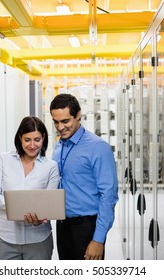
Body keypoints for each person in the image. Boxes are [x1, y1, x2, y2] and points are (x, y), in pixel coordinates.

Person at [49, 93, 119, 260]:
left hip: (87, 228)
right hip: (63, 226)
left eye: (65, 121)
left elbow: (108, 196)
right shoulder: (59, 147)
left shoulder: (98, 147)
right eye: (56, 122)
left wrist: (98, 239)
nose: (60, 127)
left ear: (78, 115)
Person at [0, 116, 60, 260]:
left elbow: (50, 203)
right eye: (27, 140)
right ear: (20, 138)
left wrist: (41, 216)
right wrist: (17, 205)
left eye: (37, 140)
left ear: (43, 138)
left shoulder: (51, 167)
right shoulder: (4, 160)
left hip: (38, 240)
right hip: (5, 239)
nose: (32, 145)